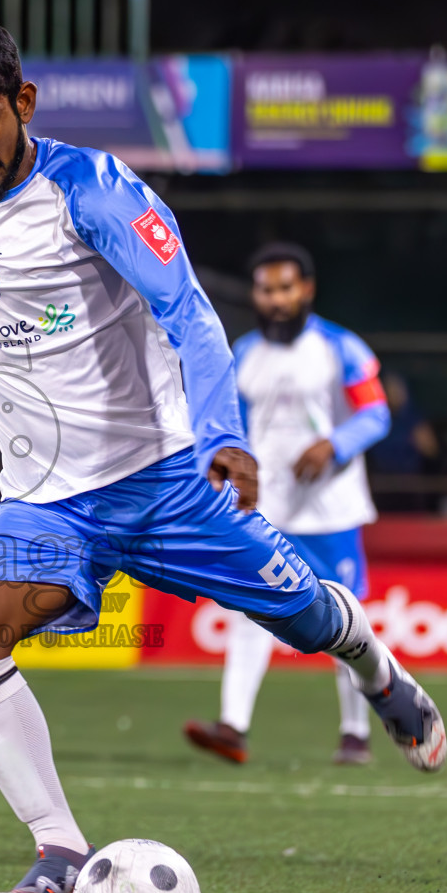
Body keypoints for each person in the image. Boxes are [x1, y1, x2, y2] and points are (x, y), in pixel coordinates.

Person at [0, 16, 447, 893]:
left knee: (310, 617)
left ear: (22, 102)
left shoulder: (97, 192)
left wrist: (224, 437)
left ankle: (380, 676)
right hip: (44, 507)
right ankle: (59, 852)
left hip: (162, 483)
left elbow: (190, 313)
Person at [182, 242, 390, 768]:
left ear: (307, 290)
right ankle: (233, 726)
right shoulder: (244, 353)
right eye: (265, 290)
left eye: (284, 288)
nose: (275, 299)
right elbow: (227, 425)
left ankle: (355, 733)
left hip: (331, 510)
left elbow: (376, 415)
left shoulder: (342, 348)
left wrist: (333, 445)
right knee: (252, 611)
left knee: (348, 618)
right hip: (265, 508)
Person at [367, 372, 440, 513]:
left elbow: (433, 451)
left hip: (409, 488)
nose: (394, 393)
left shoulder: (414, 419)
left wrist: (425, 443)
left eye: (398, 388)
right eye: (389, 388)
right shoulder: (375, 418)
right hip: (381, 487)